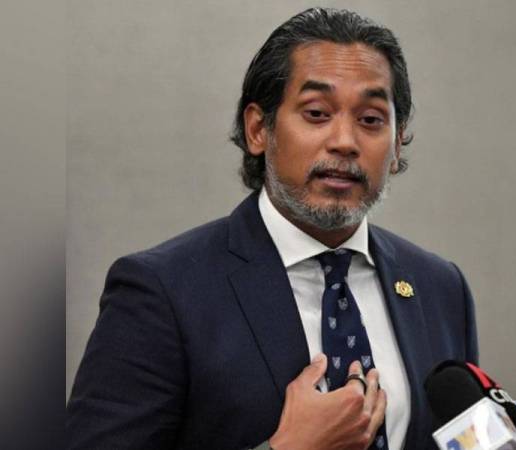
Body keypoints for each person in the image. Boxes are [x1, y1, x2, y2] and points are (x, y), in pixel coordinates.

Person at [67, 7, 478, 450]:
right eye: (317, 113)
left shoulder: (440, 288)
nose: (345, 141)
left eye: (371, 119)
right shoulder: (163, 291)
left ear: (396, 145)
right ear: (258, 129)